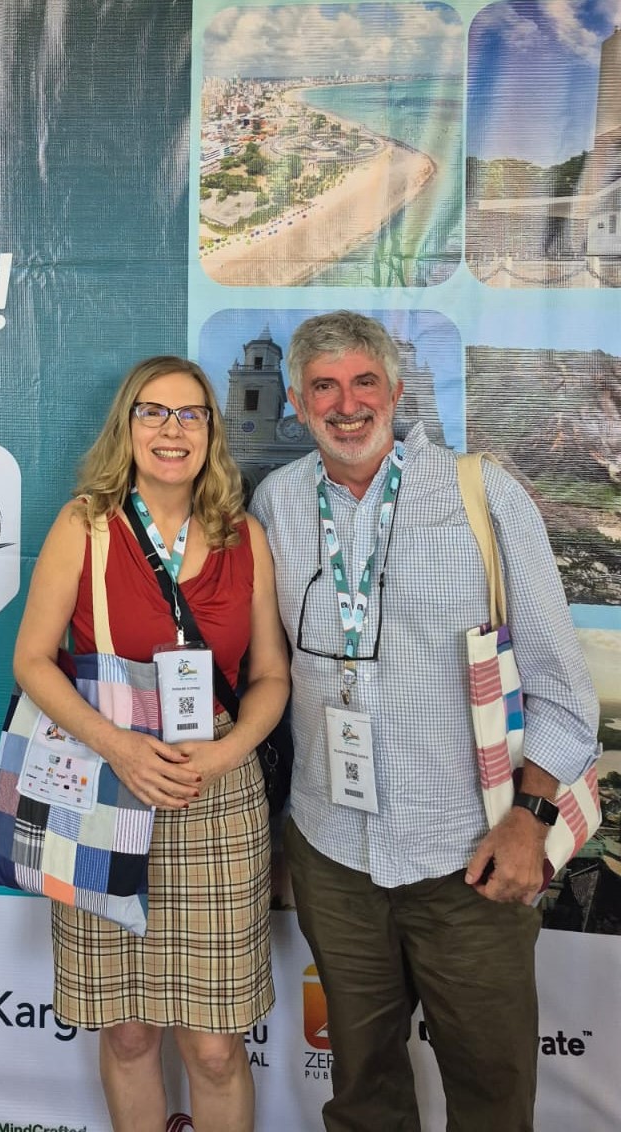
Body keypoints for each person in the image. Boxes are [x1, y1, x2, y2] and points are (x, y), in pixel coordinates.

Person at [249, 311, 600, 1132]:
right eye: (324, 387)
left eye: (364, 382)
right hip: (334, 855)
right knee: (363, 1094)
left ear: (396, 391)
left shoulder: (482, 493)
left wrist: (531, 819)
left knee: (491, 1096)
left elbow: (561, 687)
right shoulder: (277, 502)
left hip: (468, 856)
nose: (347, 405)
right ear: (297, 402)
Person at [13, 355, 290, 1132]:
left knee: (215, 1049)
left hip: (216, 794)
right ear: (127, 427)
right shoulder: (85, 525)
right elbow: (31, 660)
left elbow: (271, 676)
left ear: (211, 431)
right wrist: (120, 747)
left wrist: (225, 753)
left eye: (190, 413)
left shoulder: (245, 537)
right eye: (154, 412)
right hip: (106, 782)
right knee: (129, 1034)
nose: (173, 430)